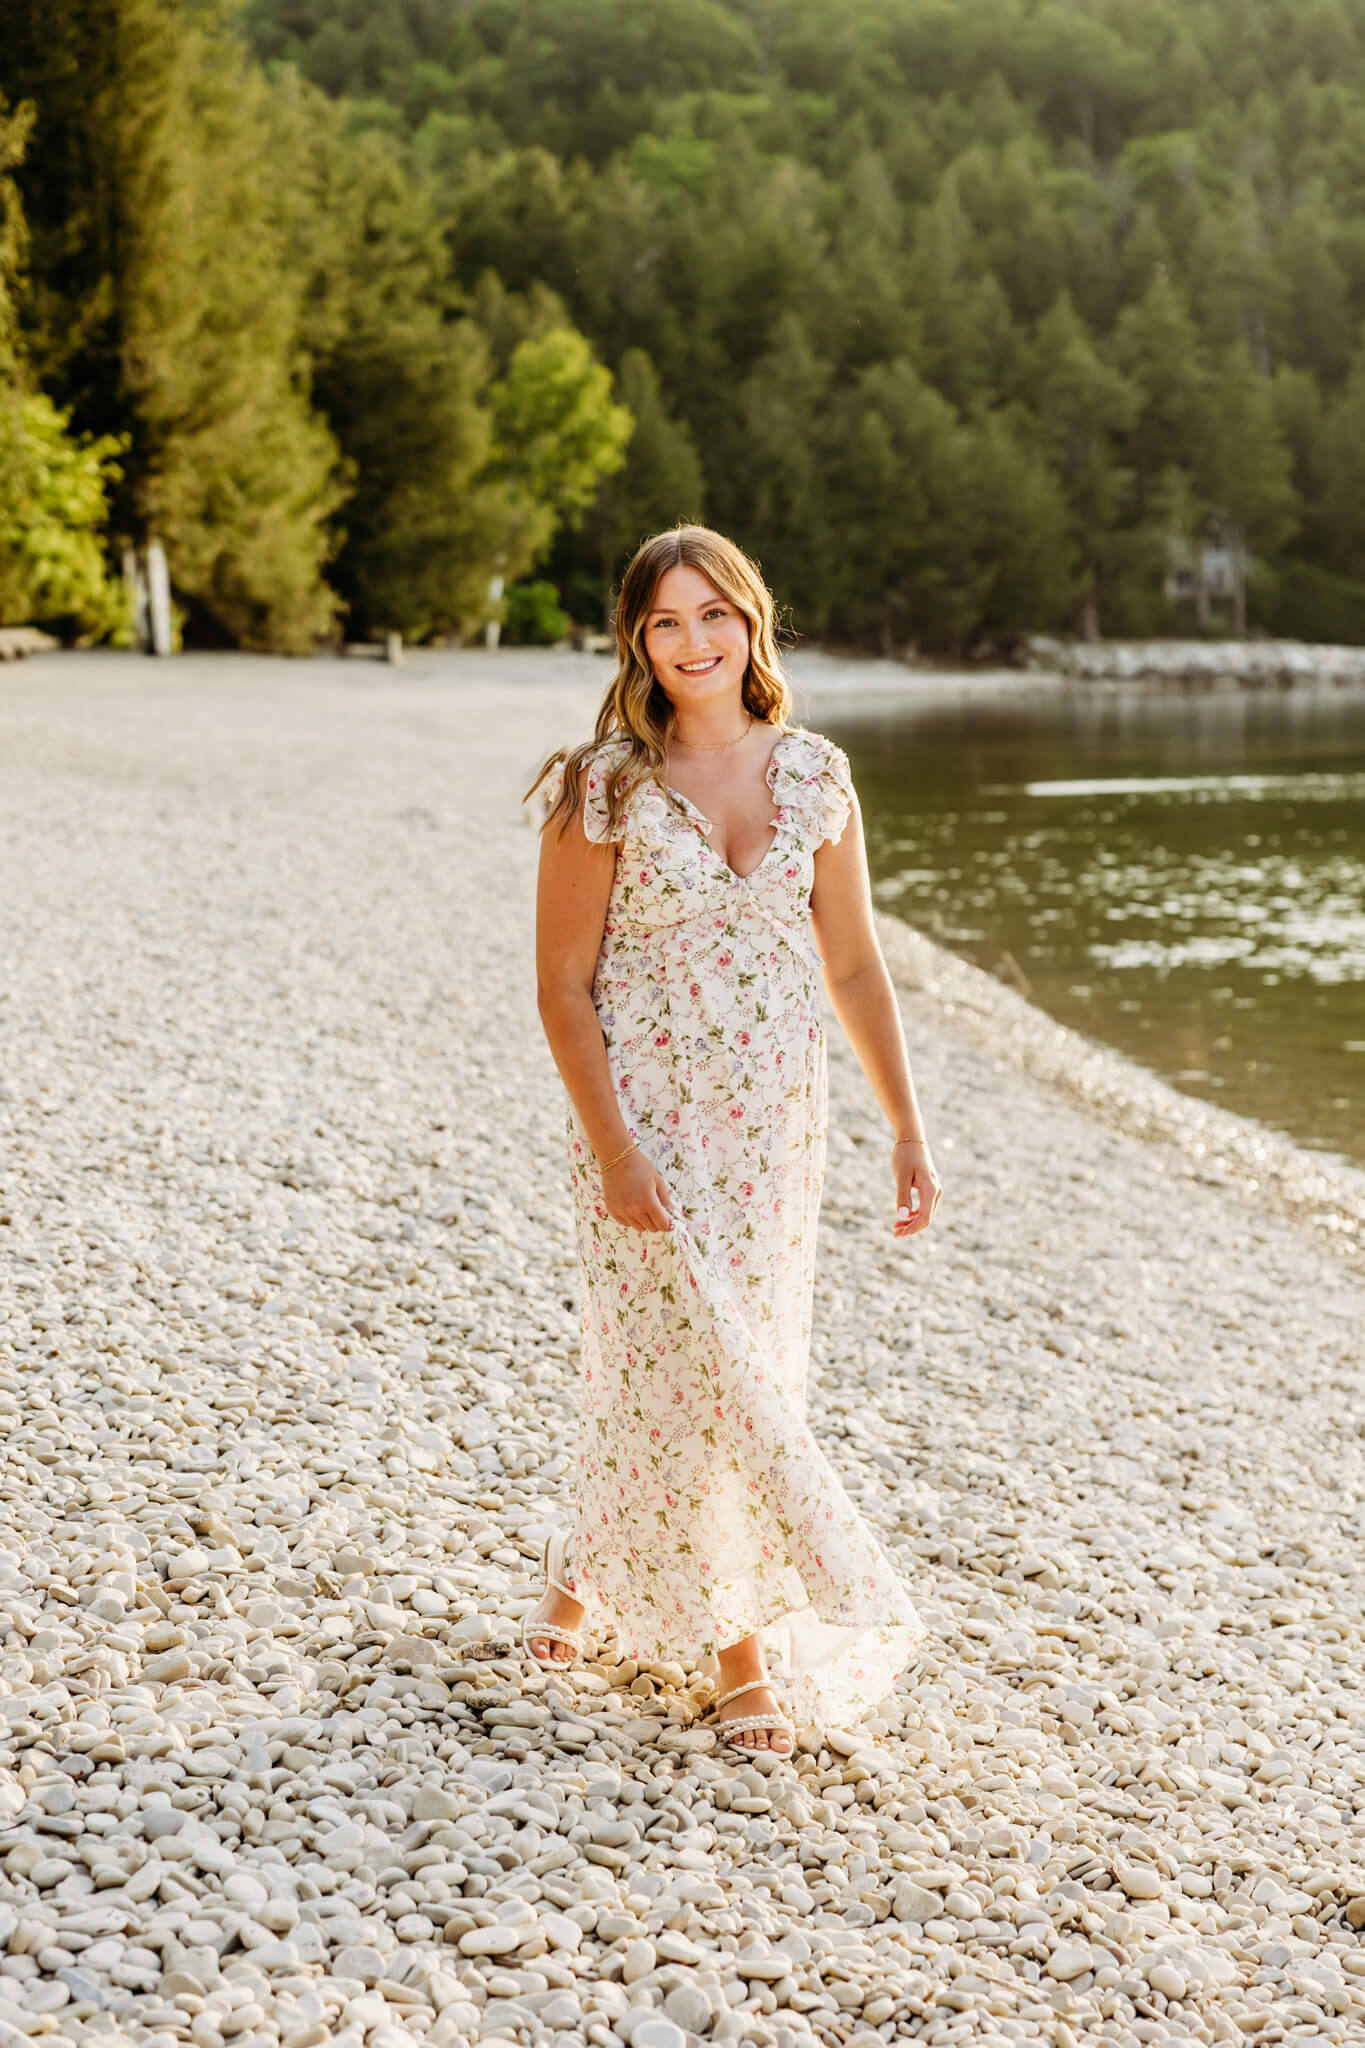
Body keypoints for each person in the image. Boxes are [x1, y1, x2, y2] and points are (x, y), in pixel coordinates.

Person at [524, 524, 939, 1756]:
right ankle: (738, 1652)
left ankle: (581, 1573)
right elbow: (560, 985)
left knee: (727, 1365)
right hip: (645, 1120)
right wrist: (612, 1150)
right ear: (636, 642)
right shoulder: (601, 785)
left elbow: (855, 964)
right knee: (689, 1366)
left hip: (774, 1128)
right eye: (666, 622)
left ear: (752, 622)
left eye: (715, 615)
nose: (693, 641)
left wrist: (907, 1123)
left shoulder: (816, 773)